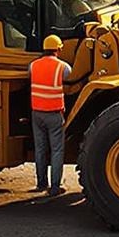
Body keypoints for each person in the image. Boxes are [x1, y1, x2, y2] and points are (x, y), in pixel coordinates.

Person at [29, 33, 72, 198]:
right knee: (56, 150)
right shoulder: (63, 67)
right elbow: (70, 77)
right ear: (58, 49)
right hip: (54, 114)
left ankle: (41, 183)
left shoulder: (33, 65)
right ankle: (54, 187)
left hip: (37, 113)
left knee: (40, 149)